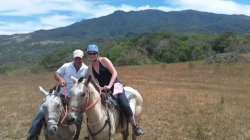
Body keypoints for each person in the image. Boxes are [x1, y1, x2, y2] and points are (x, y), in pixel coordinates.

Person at [27, 49, 88, 140]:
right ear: (73, 58)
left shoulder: (86, 69)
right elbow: (56, 74)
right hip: (62, 95)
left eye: (79, 58)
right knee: (43, 111)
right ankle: (33, 134)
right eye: (76, 58)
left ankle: (75, 137)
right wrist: (60, 80)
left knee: (78, 119)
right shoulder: (67, 66)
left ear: (83, 58)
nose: (78, 60)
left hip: (74, 99)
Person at [86, 44, 144, 136]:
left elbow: (114, 72)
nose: (92, 55)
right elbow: (94, 82)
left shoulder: (104, 60)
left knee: (124, 103)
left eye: (94, 53)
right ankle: (93, 131)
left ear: (97, 54)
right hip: (104, 89)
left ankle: (135, 126)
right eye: (90, 53)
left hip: (115, 85)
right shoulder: (89, 69)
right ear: (88, 54)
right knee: (94, 106)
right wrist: (100, 88)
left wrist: (109, 85)